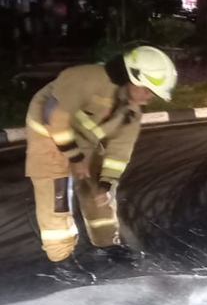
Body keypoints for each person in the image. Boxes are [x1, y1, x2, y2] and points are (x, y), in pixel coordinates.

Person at [25, 45, 177, 284]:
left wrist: (106, 183)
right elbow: (55, 118)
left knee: (100, 194)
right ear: (134, 78)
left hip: (82, 138)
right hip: (47, 130)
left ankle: (107, 245)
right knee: (57, 194)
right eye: (148, 91)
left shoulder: (131, 112)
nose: (149, 98)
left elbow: (119, 152)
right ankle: (61, 260)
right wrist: (74, 158)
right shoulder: (84, 78)